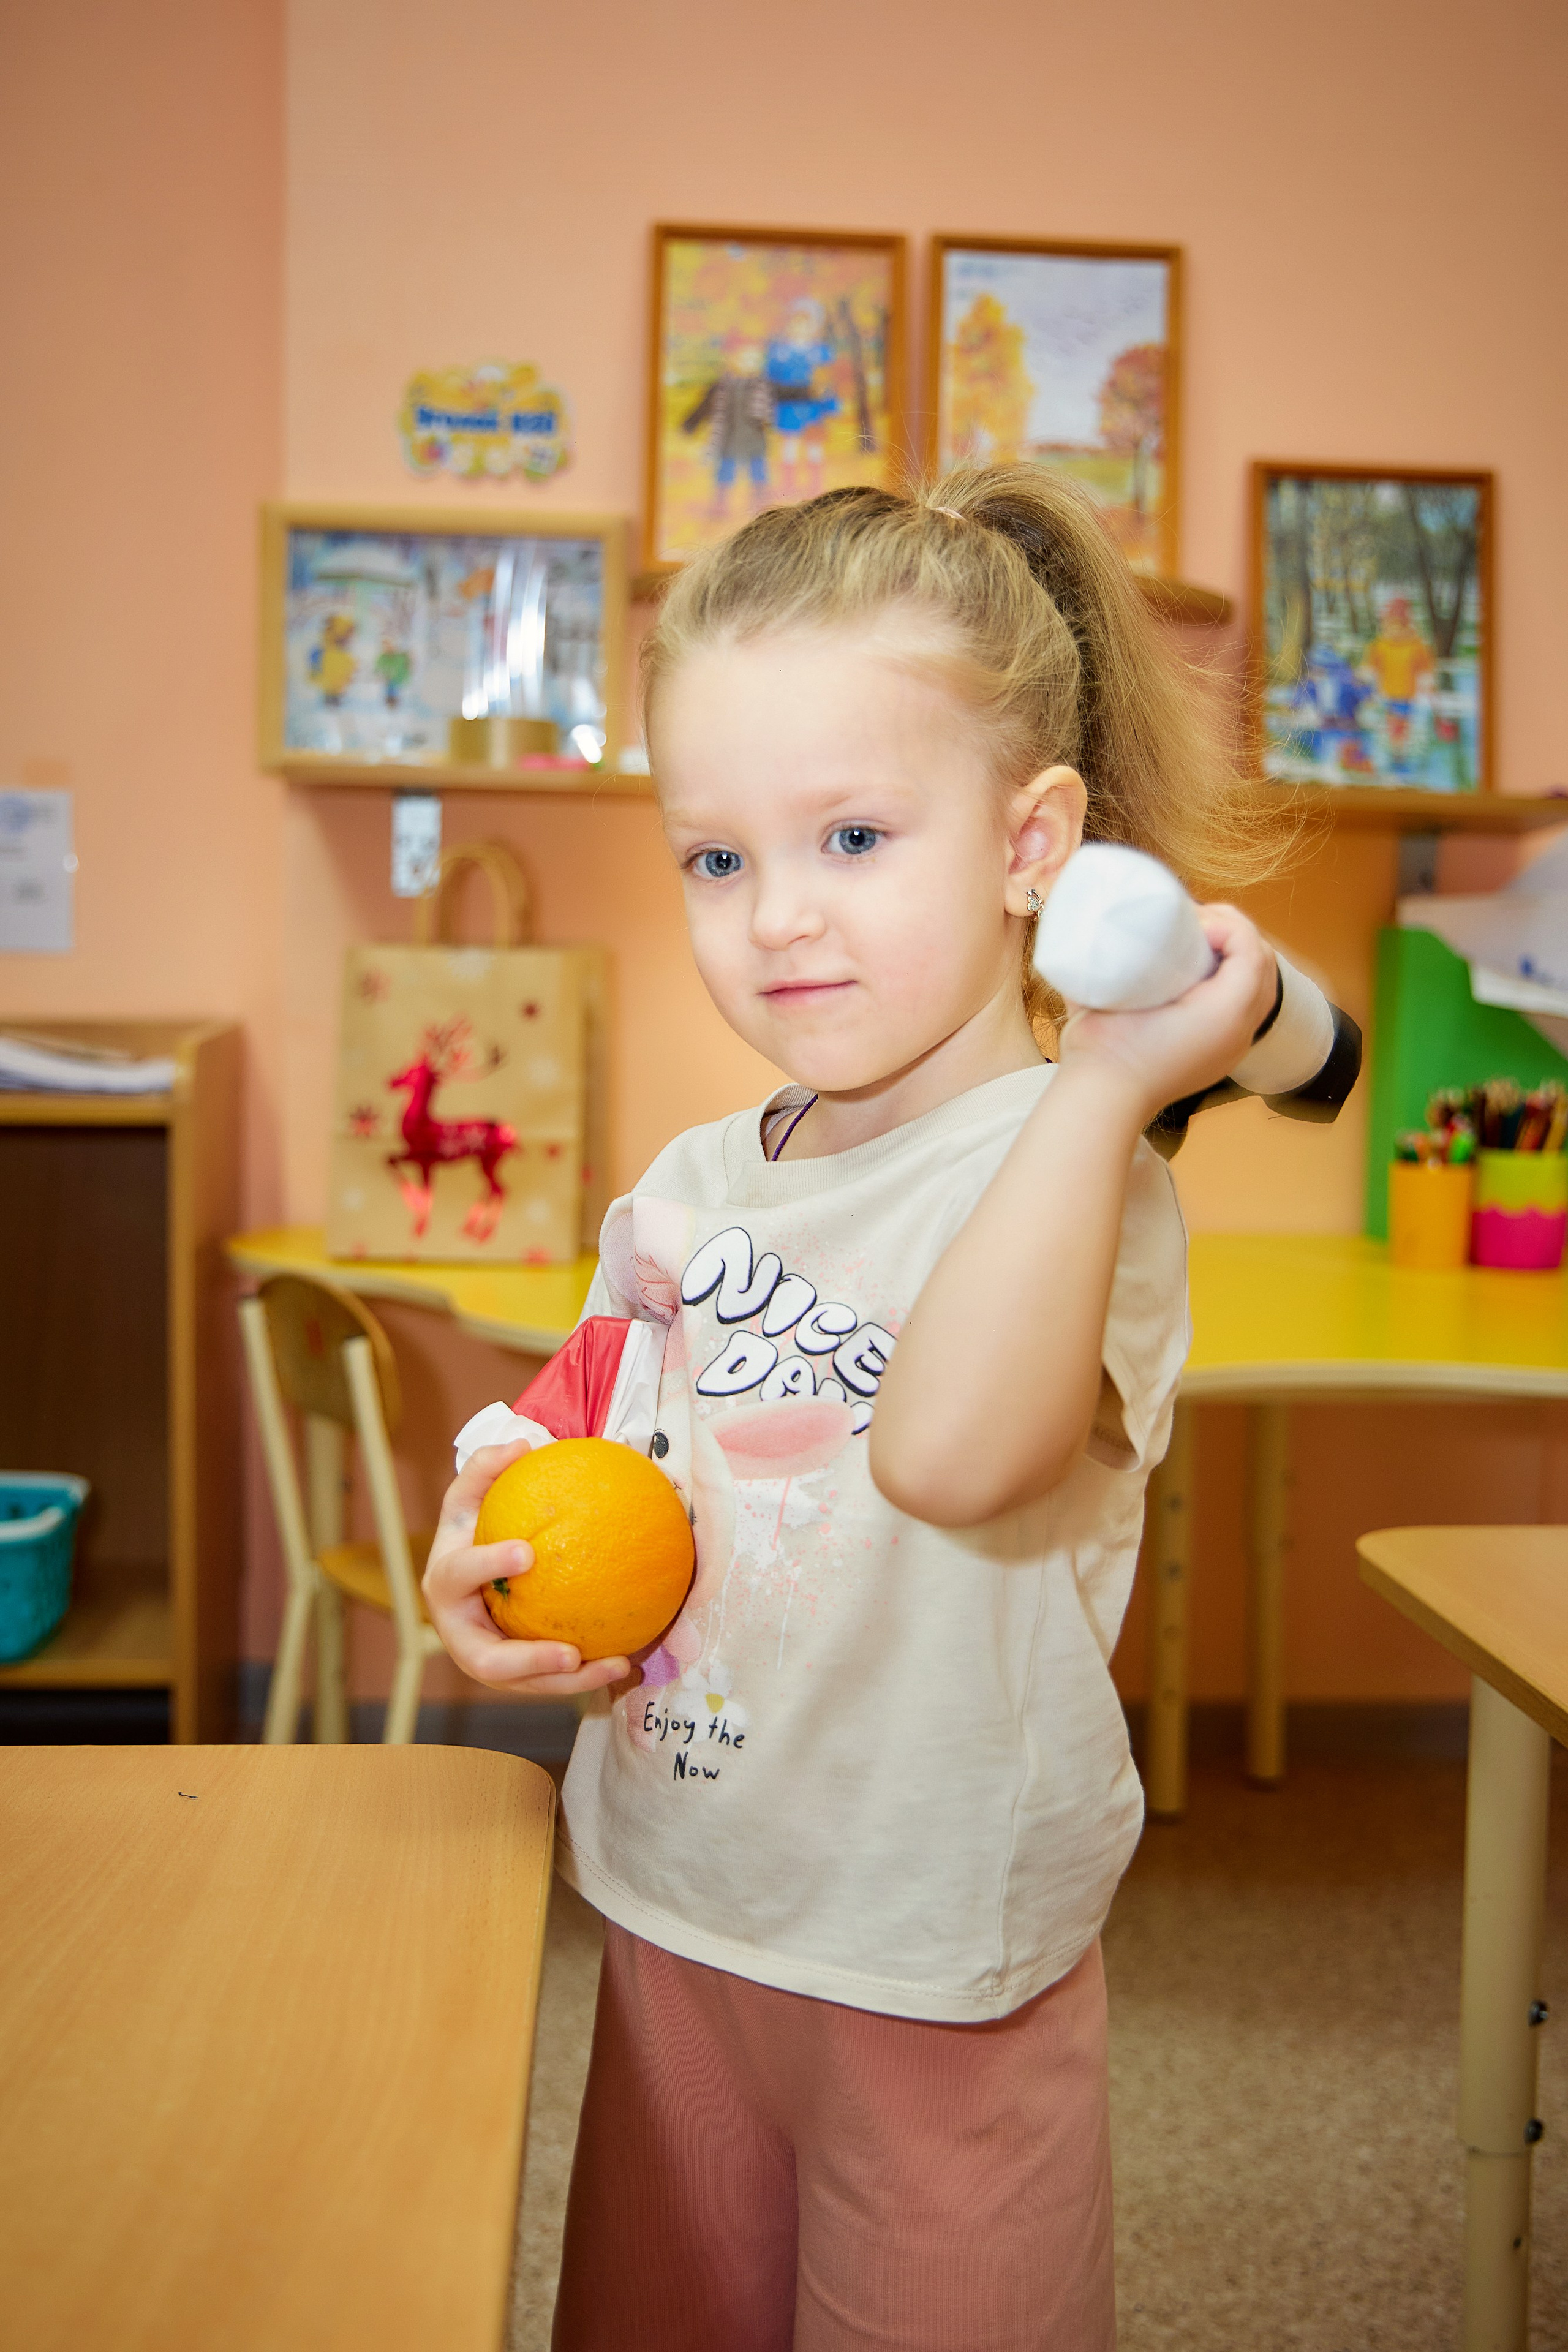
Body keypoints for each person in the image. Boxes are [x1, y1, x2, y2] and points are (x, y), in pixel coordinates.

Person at [423, 468, 1348, 2351]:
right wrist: (483, 1530)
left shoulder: (1073, 1179)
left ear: (1037, 847)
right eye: (717, 858)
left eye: (851, 836)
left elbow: (947, 1458)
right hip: (684, 1895)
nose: (777, 920)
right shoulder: (700, 1173)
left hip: (937, 1956)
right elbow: (587, 1413)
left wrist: (1103, 1096)